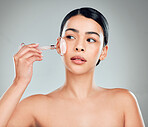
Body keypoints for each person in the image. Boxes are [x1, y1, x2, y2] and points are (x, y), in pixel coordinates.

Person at [0, 7, 145, 127]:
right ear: (58, 45)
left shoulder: (124, 102)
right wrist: (19, 82)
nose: (79, 47)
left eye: (90, 39)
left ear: (103, 52)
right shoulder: (35, 107)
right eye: (70, 37)